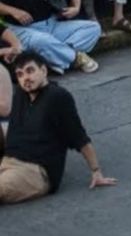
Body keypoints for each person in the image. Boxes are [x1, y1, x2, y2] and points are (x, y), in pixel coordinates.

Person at [0, 51, 116, 203]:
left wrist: (96, 171)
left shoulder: (57, 97)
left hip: (34, 171)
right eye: (20, 75)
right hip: (8, 161)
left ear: (44, 70)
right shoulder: (22, 94)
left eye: (30, 71)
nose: (25, 78)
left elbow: (79, 137)